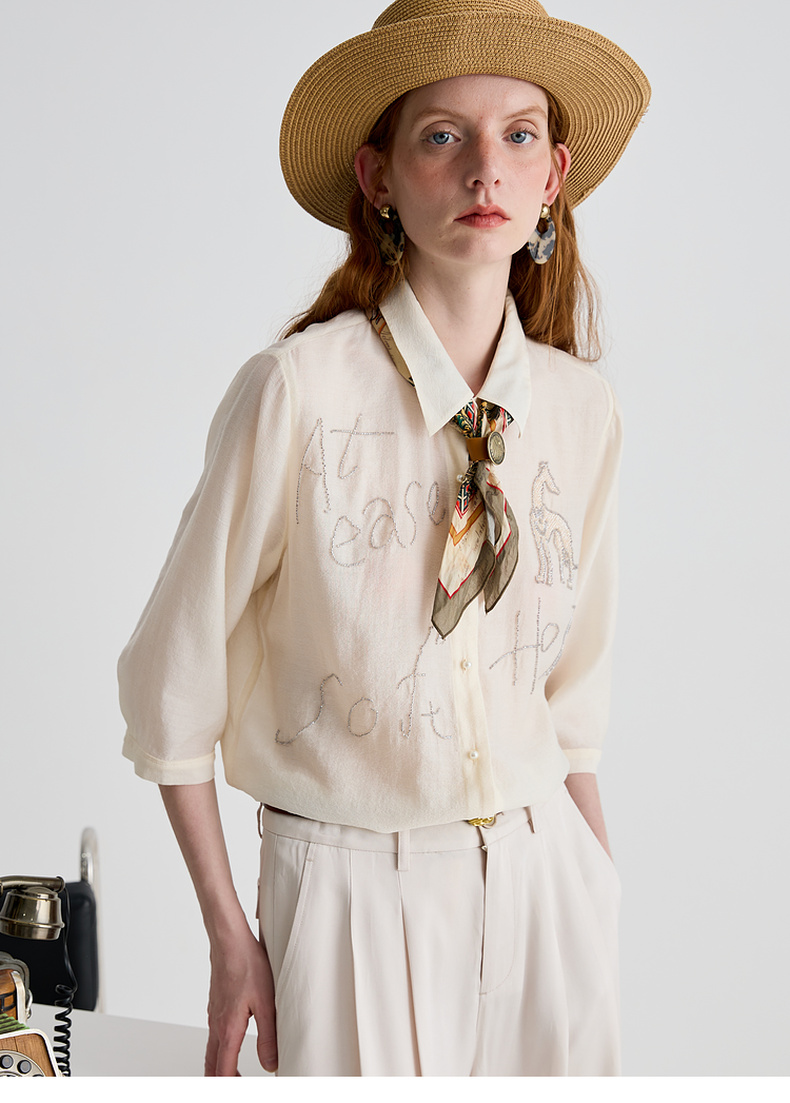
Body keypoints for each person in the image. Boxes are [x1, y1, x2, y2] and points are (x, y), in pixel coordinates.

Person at [117, 0, 650, 1078]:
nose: (485, 169)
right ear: (378, 178)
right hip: (349, 891)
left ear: (553, 177)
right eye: (442, 136)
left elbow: (572, 701)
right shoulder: (297, 392)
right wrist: (229, 932)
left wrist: (596, 898)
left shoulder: (580, 410)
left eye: (519, 136)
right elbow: (170, 688)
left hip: (546, 884)